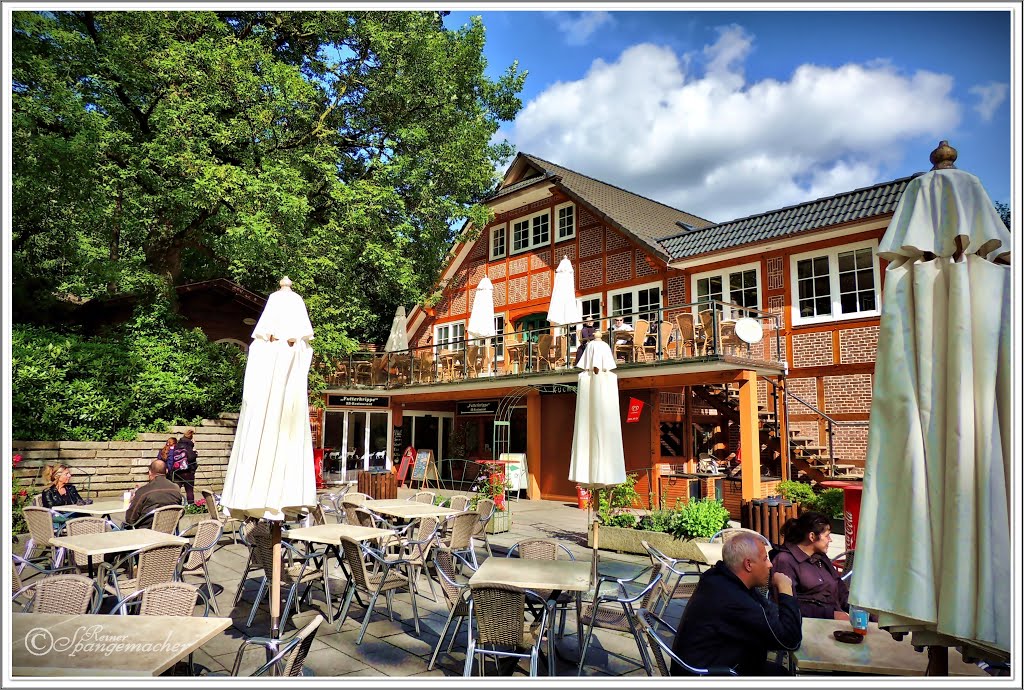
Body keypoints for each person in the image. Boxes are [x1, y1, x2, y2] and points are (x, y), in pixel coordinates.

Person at [671, 532, 802, 676]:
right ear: (748, 564)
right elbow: (789, 641)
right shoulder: (735, 600)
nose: (770, 564)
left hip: (712, 664)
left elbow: (768, 612)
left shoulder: (719, 577)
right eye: (765, 559)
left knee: (780, 672)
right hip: (709, 675)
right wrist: (786, 589)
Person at [770, 511, 850, 621]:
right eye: (827, 536)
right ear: (812, 536)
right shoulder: (785, 561)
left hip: (837, 621)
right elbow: (785, 604)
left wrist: (861, 611)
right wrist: (830, 614)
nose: (830, 540)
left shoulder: (820, 557)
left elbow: (840, 589)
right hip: (810, 626)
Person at [124, 459, 182, 528]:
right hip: (169, 530)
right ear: (166, 471)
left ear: (150, 472)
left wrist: (135, 499)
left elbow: (130, 519)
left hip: (146, 531)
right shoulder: (176, 488)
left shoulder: (143, 491)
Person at [173, 428, 199, 504]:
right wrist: (195, 453)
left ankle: (175, 505)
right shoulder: (188, 445)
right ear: (191, 437)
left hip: (177, 470)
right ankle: (191, 506)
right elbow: (190, 457)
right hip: (187, 471)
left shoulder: (177, 444)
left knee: (176, 490)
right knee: (189, 490)